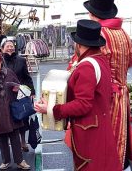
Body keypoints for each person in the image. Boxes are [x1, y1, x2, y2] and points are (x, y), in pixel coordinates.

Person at [35, 19, 122, 171]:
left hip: (90, 132)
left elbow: (83, 104)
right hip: (100, 126)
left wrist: (51, 109)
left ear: (79, 44)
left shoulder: (86, 66)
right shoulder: (99, 60)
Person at [84, 0, 132, 168]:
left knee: (101, 143)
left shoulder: (97, 34)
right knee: (120, 139)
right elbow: (130, 62)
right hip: (122, 95)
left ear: (92, 14)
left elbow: (87, 68)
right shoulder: (123, 34)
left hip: (103, 98)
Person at [0, 39, 35, 152]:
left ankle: (23, 141)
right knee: (8, 119)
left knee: (22, 118)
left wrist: (32, 92)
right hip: (5, 94)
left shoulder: (21, 60)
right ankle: (13, 143)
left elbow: (27, 77)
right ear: (2, 49)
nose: (10, 48)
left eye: (11, 46)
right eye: (7, 46)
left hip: (21, 93)